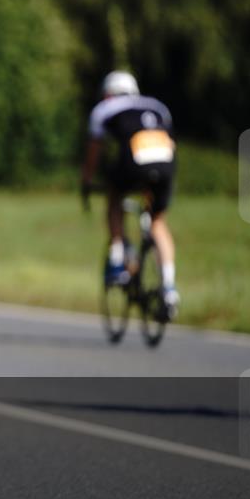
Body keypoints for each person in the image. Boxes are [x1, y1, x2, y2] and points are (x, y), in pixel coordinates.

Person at [81, 70, 179, 319]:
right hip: (166, 161)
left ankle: (117, 257)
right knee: (158, 222)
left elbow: (95, 150)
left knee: (114, 198)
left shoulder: (105, 109)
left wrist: (87, 181)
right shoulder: (157, 106)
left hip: (135, 160)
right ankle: (168, 288)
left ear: (107, 93)